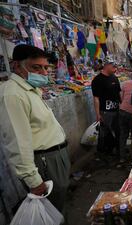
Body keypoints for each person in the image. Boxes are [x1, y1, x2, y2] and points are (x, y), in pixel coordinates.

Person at [0, 44, 70, 213]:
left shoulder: (30, 90)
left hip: (54, 157)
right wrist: (33, 180)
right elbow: (17, 142)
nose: (44, 73)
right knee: (51, 211)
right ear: (16, 65)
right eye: (36, 68)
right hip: (43, 162)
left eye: (46, 68)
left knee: (58, 207)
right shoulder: (12, 94)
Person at [91, 60, 121, 159]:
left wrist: (121, 105)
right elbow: (96, 98)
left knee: (118, 131)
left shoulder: (114, 78)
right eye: (113, 67)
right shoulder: (97, 80)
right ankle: (102, 153)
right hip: (105, 111)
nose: (115, 69)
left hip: (116, 110)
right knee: (104, 132)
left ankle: (117, 150)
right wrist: (98, 113)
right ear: (107, 66)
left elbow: (119, 93)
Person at [119, 59, 132, 163]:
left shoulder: (125, 84)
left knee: (123, 135)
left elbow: (121, 97)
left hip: (122, 111)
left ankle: (122, 157)